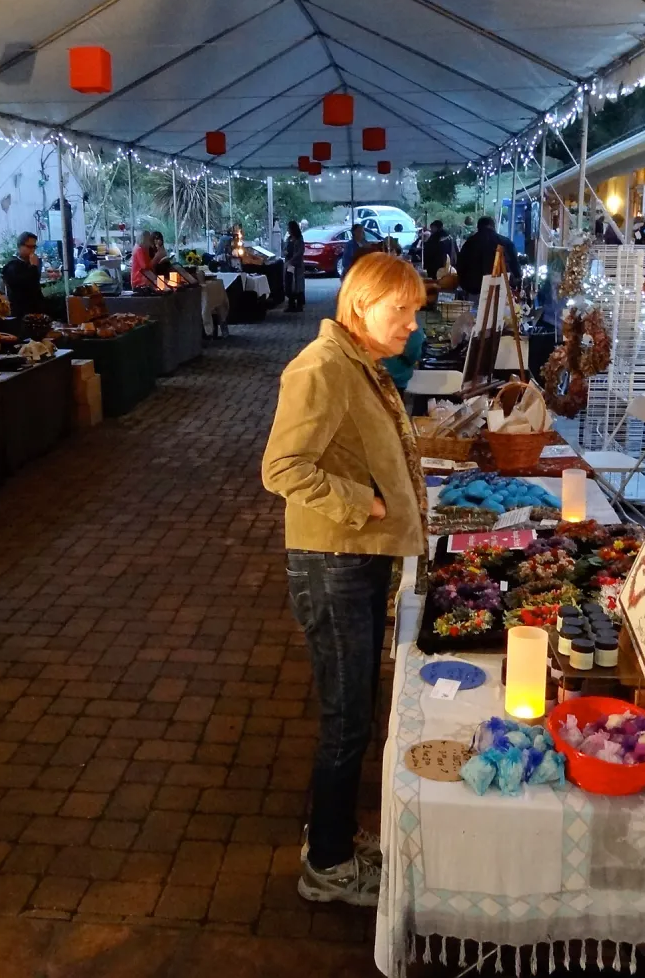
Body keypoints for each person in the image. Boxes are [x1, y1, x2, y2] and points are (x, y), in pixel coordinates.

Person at [261, 253, 427, 908]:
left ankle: (331, 836)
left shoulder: (360, 365)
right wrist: (369, 503)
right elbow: (282, 468)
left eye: (415, 311)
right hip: (334, 566)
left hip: (355, 562)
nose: (412, 324)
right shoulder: (322, 369)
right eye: (401, 310)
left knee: (353, 712)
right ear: (360, 305)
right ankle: (325, 866)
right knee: (346, 720)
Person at [455, 216, 519, 297]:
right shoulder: (505, 242)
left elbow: (460, 264)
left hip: (473, 289)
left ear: (478, 227)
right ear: (494, 227)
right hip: (500, 289)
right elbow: (515, 266)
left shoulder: (470, 242)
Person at [1, 231, 46, 316]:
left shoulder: (34, 262)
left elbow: (35, 285)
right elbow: (23, 285)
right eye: (29, 247)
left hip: (36, 309)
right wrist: (33, 267)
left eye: (34, 247)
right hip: (21, 311)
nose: (32, 250)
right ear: (20, 246)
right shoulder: (12, 266)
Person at [283, 220, 306, 312]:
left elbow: (300, 252)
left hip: (297, 265)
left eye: (289, 228)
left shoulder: (299, 239)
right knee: (289, 284)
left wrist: (292, 260)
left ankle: (299, 304)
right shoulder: (289, 239)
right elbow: (285, 248)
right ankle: (291, 304)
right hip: (289, 264)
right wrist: (285, 253)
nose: (288, 230)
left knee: (298, 285)